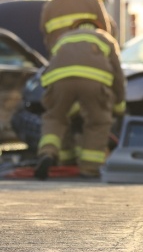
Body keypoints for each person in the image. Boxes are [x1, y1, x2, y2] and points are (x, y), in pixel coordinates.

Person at [34, 19, 126, 180]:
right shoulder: (104, 38)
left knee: (56, 117)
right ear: (98, 27)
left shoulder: (64, 38)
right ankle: (90, 168)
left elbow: (52, 65)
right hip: (93, 81)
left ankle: (49, 153)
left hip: (59, 80)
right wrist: (119, 105)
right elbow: (118, 76)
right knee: (98, 122)